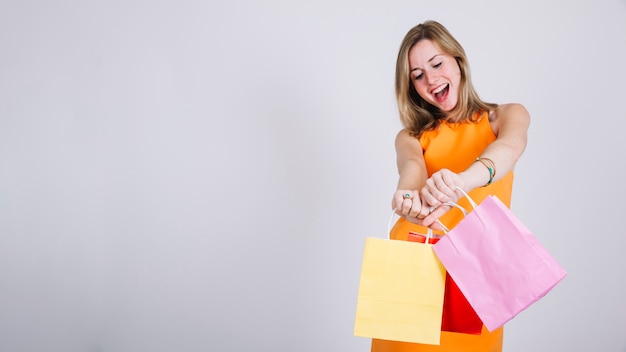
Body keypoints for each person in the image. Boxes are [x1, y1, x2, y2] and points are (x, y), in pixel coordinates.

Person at [371, 20, 530, 352]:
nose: (430, 79)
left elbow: (508, 150)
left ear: (458, 60)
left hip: (478, 276)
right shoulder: (411, 136)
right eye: (417, 75)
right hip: (414, 269)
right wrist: (407, 198)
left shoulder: (503, 116)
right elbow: (412, 170)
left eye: (436, 63)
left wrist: (461, 182)